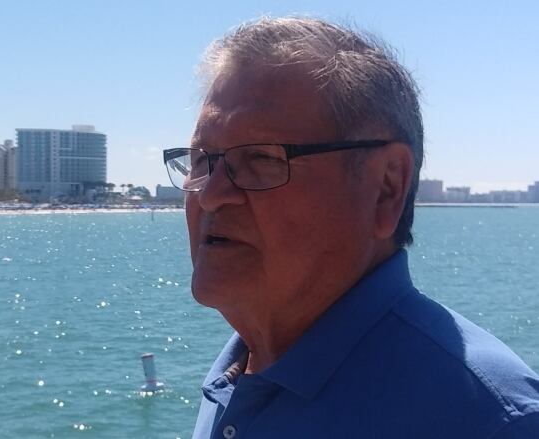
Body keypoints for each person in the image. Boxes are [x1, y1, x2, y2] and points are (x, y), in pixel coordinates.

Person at [163, 17, 539, 439]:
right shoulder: (240, 374)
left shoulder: (491, 422)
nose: (210, 194)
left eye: (262, 158)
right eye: (201, 160)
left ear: (385, 188)